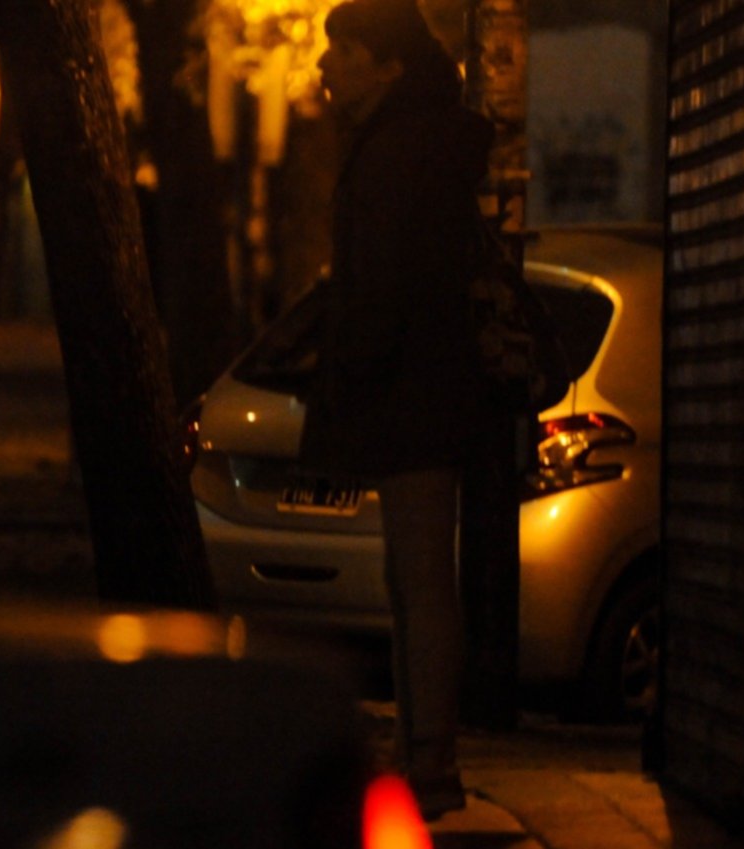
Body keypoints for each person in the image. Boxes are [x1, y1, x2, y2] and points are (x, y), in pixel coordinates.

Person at [298, 0, 493, 820]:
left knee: (417, 577)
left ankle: (431, 763)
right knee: (414, 577)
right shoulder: (414, 143)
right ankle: (427, 756)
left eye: (342, 50)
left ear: (388, 67)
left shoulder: (394, 151)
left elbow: (380, 284)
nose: (324, 64)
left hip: (410, 391)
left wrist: (351, 375)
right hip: (424, 386)